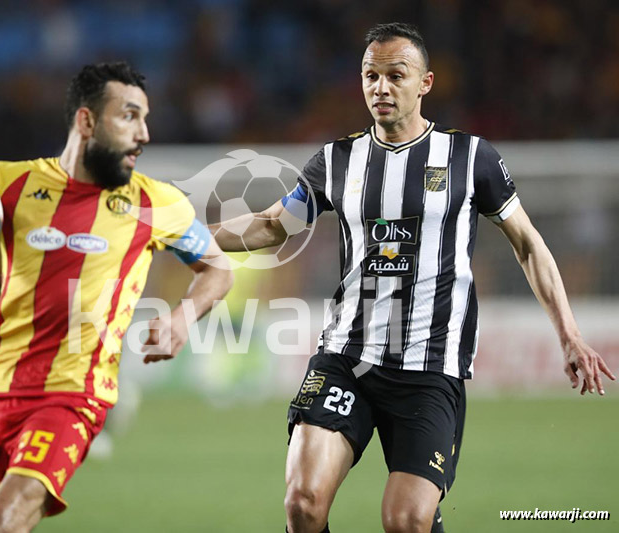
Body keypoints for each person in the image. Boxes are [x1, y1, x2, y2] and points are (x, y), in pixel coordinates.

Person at [211, 23, 615, 533]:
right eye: (370, 76)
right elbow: (273, 225)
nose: (380, 87)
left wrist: (570, 335)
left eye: (395, 75)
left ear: (425, 82)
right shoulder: (335, 162)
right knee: (303, 505)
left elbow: (528, 243)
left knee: (406, 521)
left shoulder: (471, 158)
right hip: (346, 358)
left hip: (429, 370)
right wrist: (182, 235)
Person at [0, 62, 233, 532]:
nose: (144, 133)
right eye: (129, 117)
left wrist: (184, 318)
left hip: (72, 397)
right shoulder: (6, 182)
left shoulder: (155, 201)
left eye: (145, 118)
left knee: (3, 521)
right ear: (86, 121)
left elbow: (218, 268)